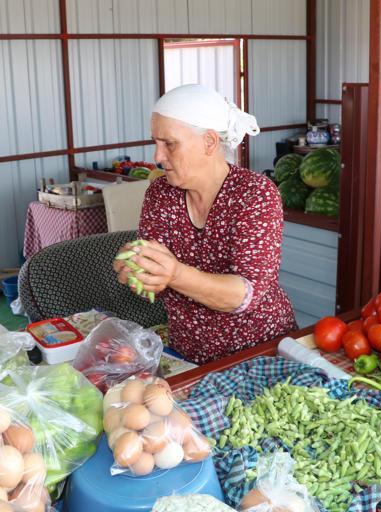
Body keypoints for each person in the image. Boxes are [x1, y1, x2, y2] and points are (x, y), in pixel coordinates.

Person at [114, 84, 297, 364]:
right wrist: (140, 271)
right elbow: (155, 286)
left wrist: (174, 273)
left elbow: (244, 294)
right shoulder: (160, 194)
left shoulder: (254, 194)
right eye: (155, 142)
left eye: (169, 144)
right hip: (188, 352)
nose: (157, 157)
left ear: (209, 142)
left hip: (259, 350)